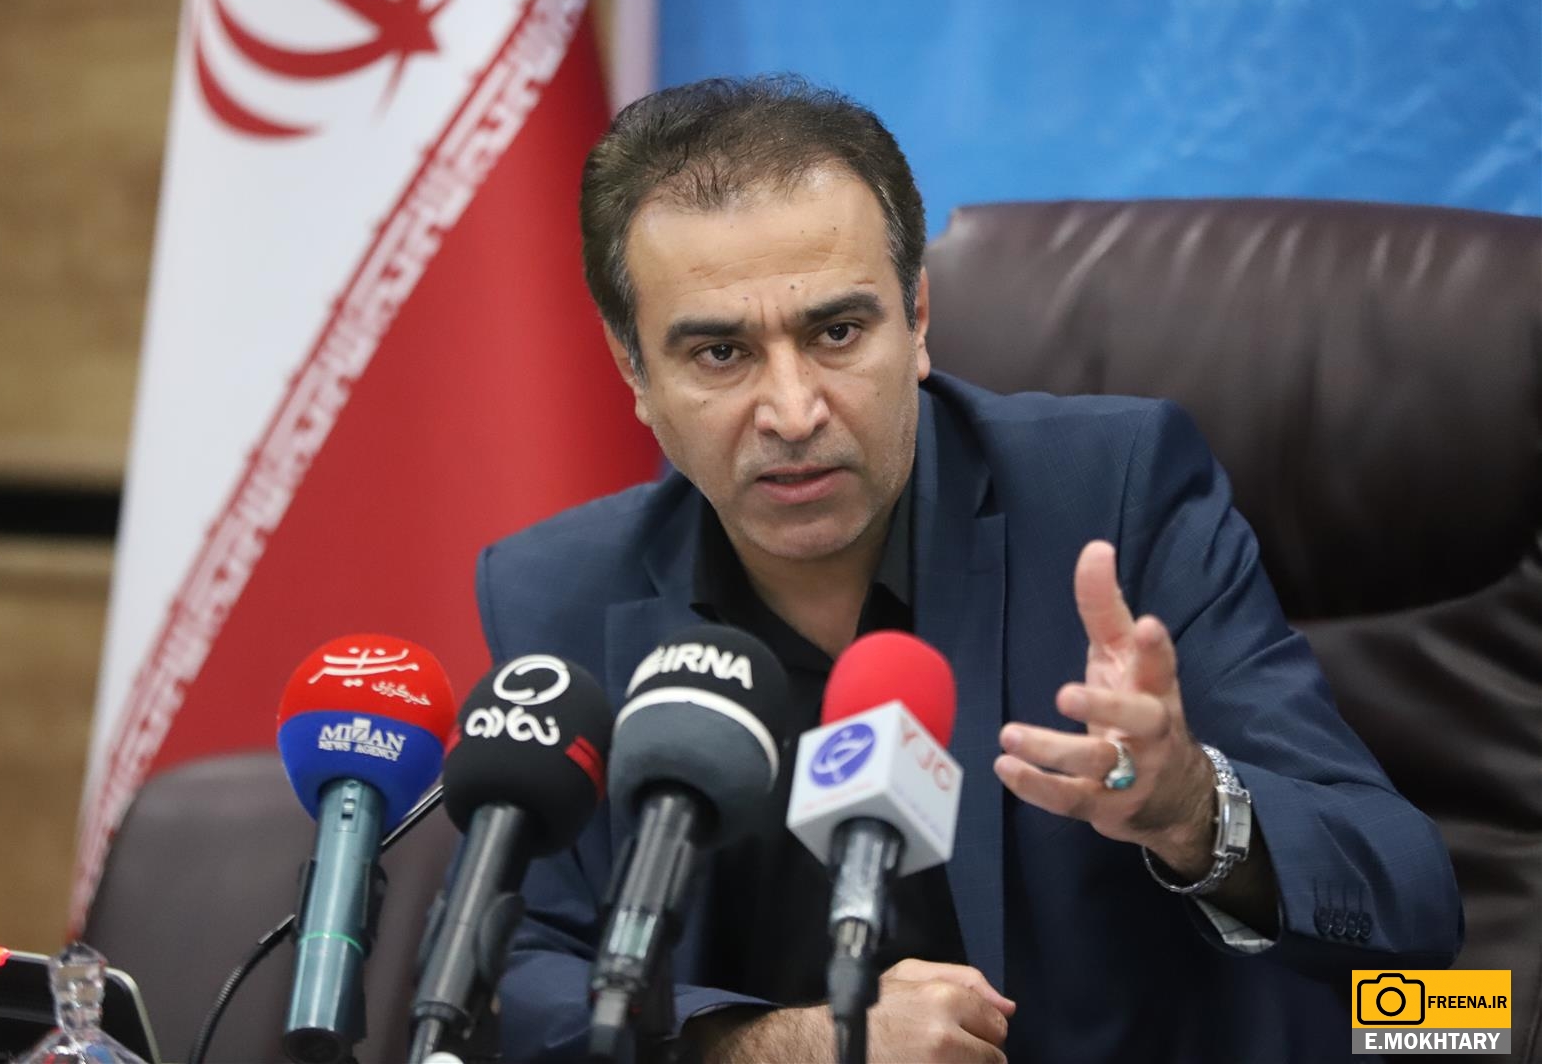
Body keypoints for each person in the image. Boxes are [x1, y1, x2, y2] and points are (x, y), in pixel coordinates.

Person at [470, 75, 1462, 1062]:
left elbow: (1412, 900)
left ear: (917, 319)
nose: (793, 412)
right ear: (634, 370)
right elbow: (504, 975)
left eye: (837, 333)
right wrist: (795, 1047)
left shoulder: (1115, 496)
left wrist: (1192, 809)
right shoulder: (561, 591)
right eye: (721, 354)